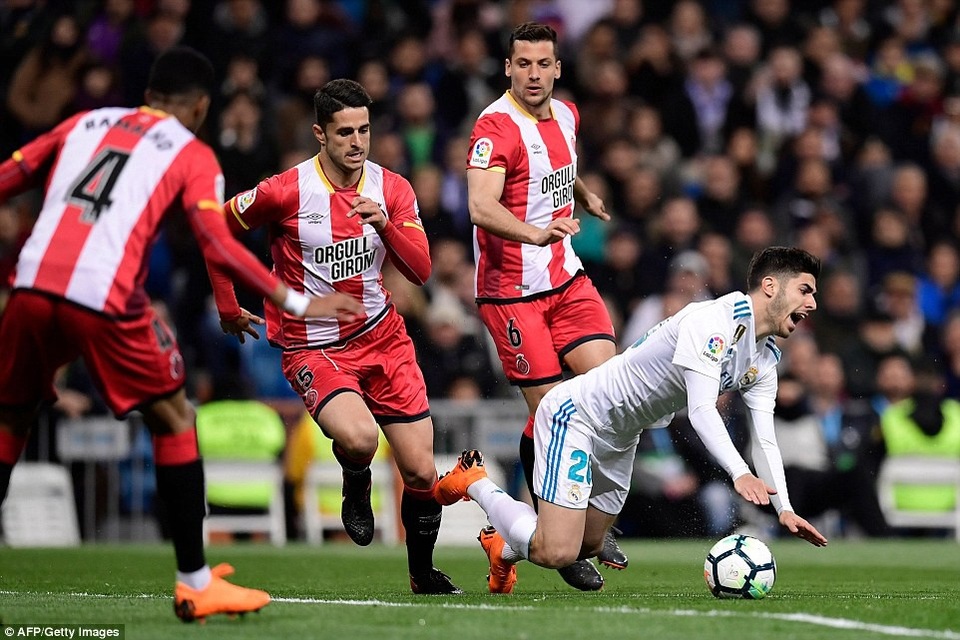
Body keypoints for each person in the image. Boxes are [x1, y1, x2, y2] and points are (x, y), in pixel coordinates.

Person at [0, 47, 362, 622]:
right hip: (103, 296)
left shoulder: (84, 122)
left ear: (148, 93)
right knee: (173, 417)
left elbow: (10, 177)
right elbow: (216, 243)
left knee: (11, 422)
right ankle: (195, 582)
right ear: (200, 105)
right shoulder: (191, 152)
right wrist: (299, 299)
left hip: (28, 288)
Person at [435, 247, 829, 594]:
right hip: (577, 416)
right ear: (771, 285)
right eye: (805, 290)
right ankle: (477, 482)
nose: (812, 303)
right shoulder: (713, 321)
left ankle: (501, 546)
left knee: (588, 545)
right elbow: (701, 410)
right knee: (556, 551)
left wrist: (784, 508)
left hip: (623, 436)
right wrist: (739, 473)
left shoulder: (764, 359)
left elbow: (766, 439)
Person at [209, 79, 460, 595]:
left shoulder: (392, 189)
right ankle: (355, 478)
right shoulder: (285, 191)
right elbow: (215, 228)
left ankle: (422, 574)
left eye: (364, 130)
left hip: (383, 338)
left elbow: (420, 271)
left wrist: (387, 227)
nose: (357, 142)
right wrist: (227, 304)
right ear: (320, 133)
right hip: (314, 345)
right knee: (361, 437)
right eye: (345, 131)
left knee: (420, 471)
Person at [464, 21, 625, 591]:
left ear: (558, 68)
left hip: (567, 281)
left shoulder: (569, 115)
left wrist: (584, 193)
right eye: (523, 64)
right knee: (558, 413)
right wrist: (533, 234)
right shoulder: (494, 128)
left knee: (610, 393)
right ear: (508, 68)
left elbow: (559, 166)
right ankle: (556, 532)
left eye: (544, 64)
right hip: (513, 296)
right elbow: (480, 205)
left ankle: (577, 524)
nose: (534, 74)